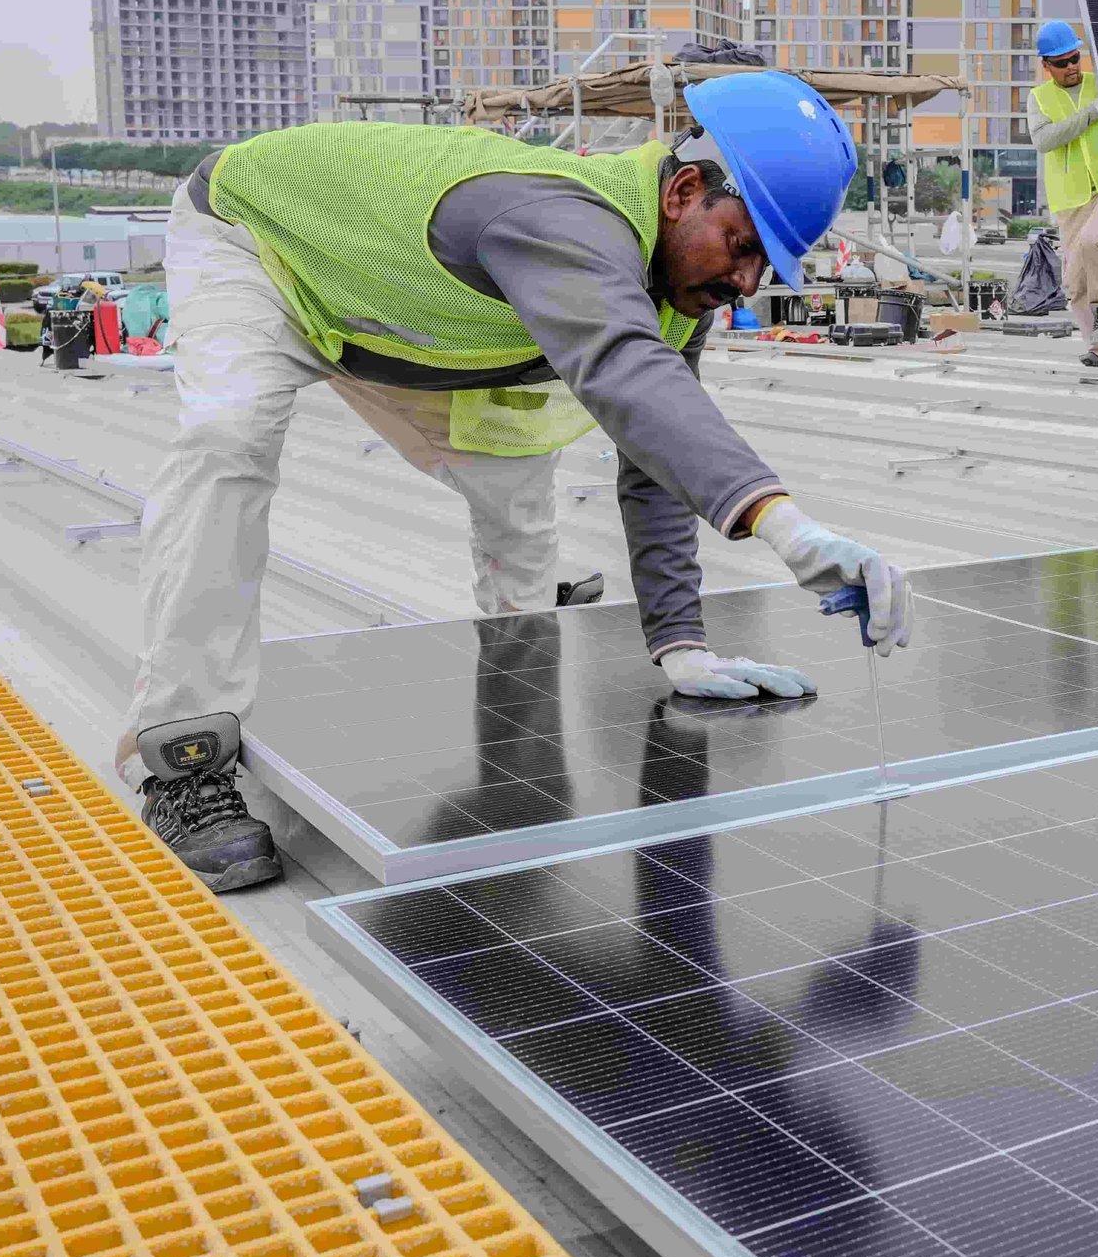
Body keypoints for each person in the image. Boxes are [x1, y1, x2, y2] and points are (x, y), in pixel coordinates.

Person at [121, 71, 915, 891]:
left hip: (408, 320)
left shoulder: (680, 286)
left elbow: (656, 445)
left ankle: (518, 743)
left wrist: (681, 643)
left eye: (767, 265)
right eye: (744, 245)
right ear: (682, 191)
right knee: (229, 435)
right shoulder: (557, 220)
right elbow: (622, 368)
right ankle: (184, 760)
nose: (748, 283)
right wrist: (783, 526)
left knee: (520, 505)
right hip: (268, 247)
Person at [1026, 19, 1098, 368]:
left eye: (1074, 58)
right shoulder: (1038, 98)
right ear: (1046, 65)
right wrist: (1088, 115)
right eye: (1062, 62)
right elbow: (1044, 140)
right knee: (1075, 282)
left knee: (1093, 241)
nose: (1071, 67)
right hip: (1069, 199)